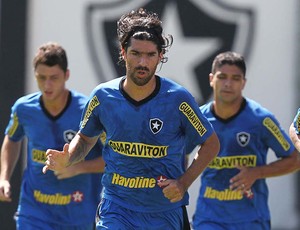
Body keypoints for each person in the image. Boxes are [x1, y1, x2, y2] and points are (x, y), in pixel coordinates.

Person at [42, 8, 220, 230]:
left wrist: (183, 183)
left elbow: (211, 143)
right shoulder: (102, 97)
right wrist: (68, 157)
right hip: (116, 209)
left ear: (160, 56)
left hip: (163, 213)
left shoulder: (178, 99)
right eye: (136, 54)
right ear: (123, 53)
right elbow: (86, 138)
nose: (143, 63)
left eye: (150, 55)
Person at [0, 42, 105, 230]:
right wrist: (4, 177)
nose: (47, 85)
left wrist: (78, 167)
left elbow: (114, 157)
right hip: (34, 213)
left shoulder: (87, 110)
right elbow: (12, 138)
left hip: (77, 213)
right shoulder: (23, 109)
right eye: (42, 77)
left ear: (66, 75)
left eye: (54, 78)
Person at [191, 51, 299, 230]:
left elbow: (295, 159)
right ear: (211, 79)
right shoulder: (198, 118)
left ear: (244, 83)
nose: (228, 83)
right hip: (209, 218)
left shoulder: (261, 119)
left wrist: (256, 172)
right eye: (222, 77)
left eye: (235, 78)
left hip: (251, 219)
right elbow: (180, 152)